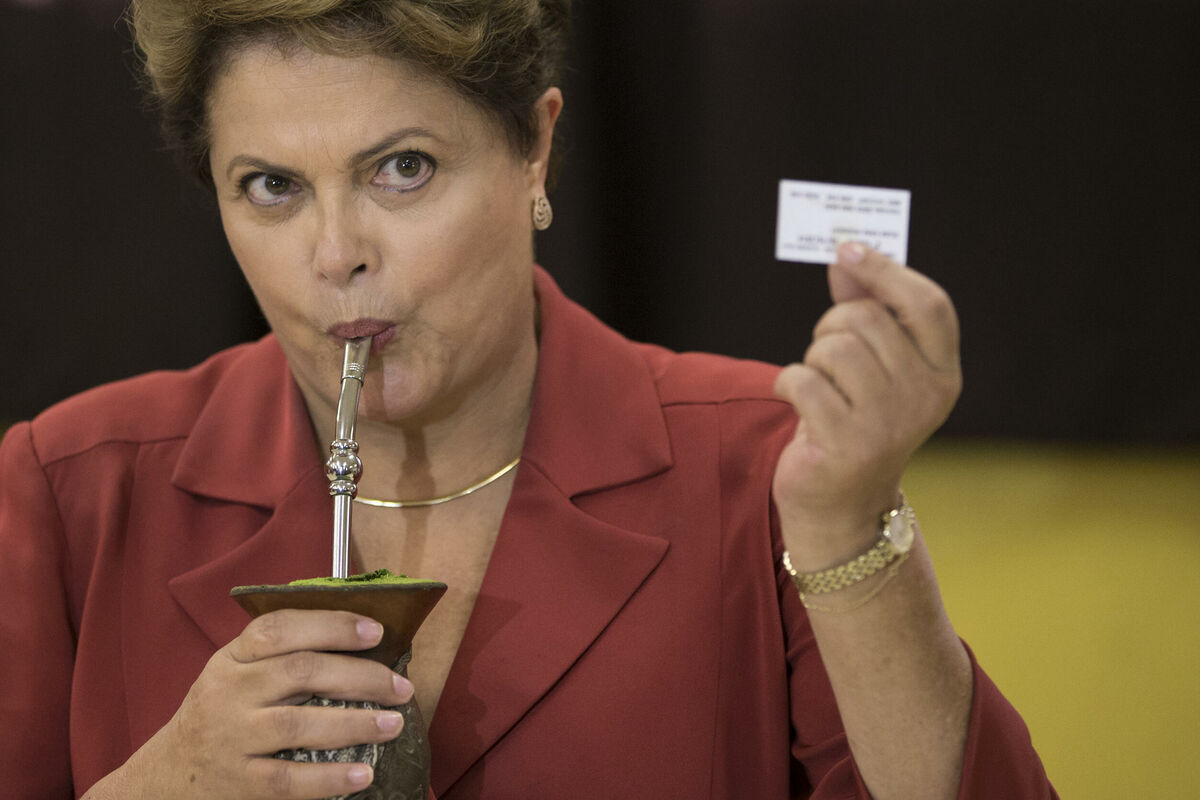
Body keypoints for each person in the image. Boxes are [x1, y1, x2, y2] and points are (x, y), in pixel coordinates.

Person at [0, 1, 1057, 798]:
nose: (335, 255)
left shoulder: (761, 466)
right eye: (272, 187)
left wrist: (848, 529)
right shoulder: (69, 488)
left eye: (402, 168)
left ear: (535, 148)